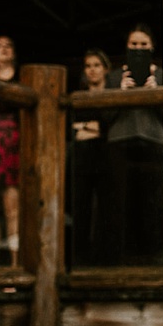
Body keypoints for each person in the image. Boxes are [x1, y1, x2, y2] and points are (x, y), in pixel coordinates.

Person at [104, 26, 163, 265]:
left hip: (153, 141)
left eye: (143, 44)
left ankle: (151, 254)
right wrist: (120, 93)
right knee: (120, 199)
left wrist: (157, 94)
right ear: (126, 47)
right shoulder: (112, 77)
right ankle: (120, 255)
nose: (139, 49)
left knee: (150, 198)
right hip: (120, 142)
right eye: (134, 44)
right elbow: (106, 118)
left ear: (152, 47)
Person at [68, 50, 113, 265]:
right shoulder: (78, 95)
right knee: (81, 206)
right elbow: (73, 129)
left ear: (105, 69)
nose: (92, 70)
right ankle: (81, 258)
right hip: (83, 157)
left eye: (96, 65)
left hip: (106, 156)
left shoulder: (114, 94)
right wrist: (95, 127)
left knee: (105, 208)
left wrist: (91, 128)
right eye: (88, 66)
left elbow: (108, 126)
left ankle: (104, 258)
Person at [0, 36, 23, 265]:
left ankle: (14, 263)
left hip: (13, 142)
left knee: (12, 208)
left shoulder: (22, 78)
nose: (3, 49)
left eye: (8, 45)